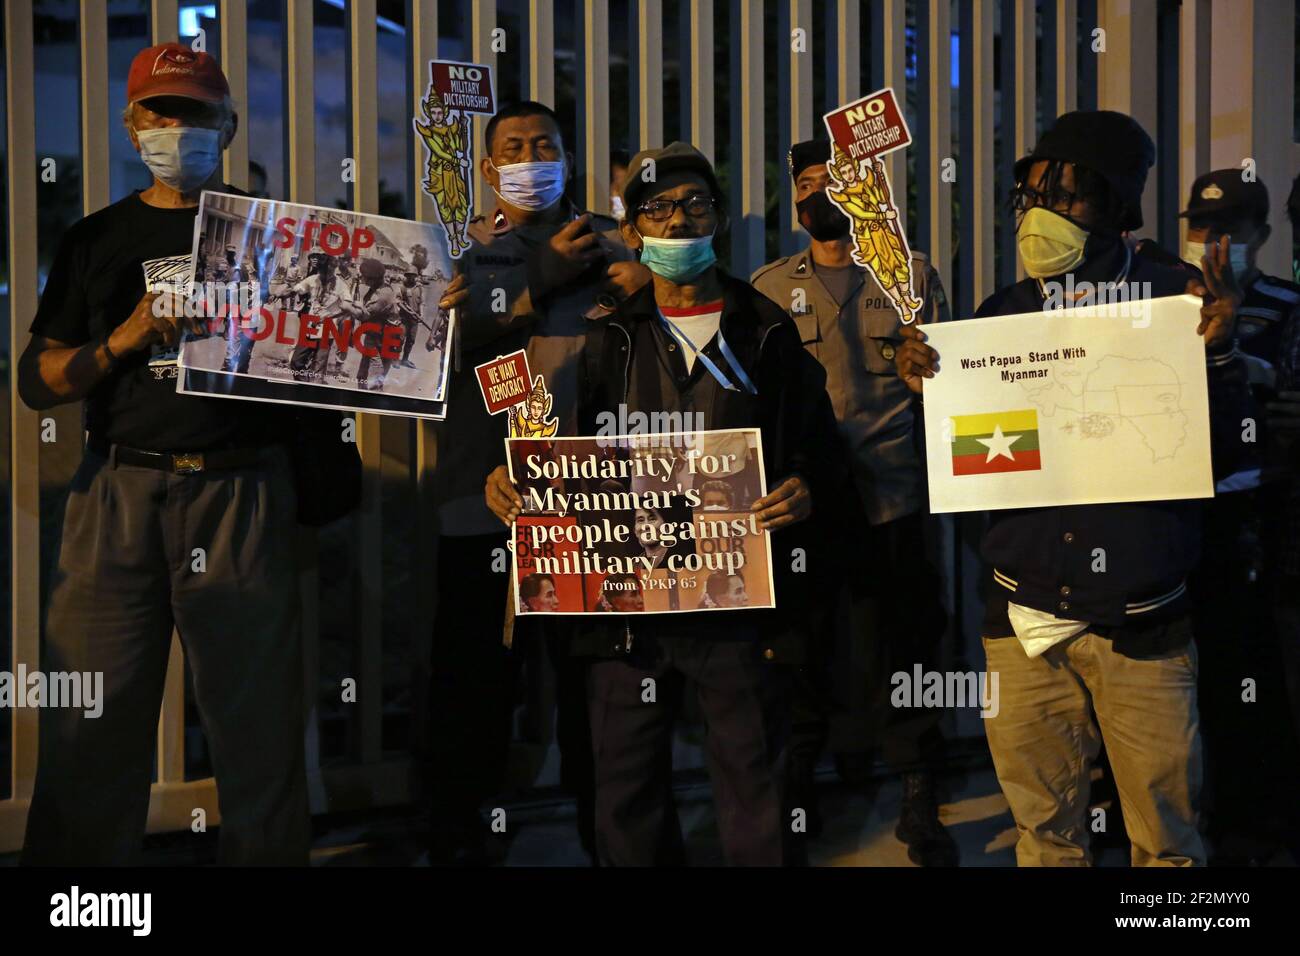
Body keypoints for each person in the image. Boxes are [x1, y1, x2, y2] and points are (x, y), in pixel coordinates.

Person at [896, 110, 1250, 867]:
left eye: (1068, 196)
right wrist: (933, 391)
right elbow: (971, 475)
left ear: (1121, 206)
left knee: (1167, 844)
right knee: (1046, 839)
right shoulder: (1000, 317)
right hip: (1025, 624)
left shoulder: (1177, 305)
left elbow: (1223, 462)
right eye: (1029, 196)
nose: (1041, 215)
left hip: (1144, 629)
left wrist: (1219, 360)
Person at [486, 142, 842, 866]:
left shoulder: (767, 331)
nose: (679, 219)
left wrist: (804, 485)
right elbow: (562, 453)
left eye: (696, 204)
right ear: (634, 228)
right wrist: (515, 486)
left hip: (740, 609)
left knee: (758, 787)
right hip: (624, 614)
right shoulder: (602, 335)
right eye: (658, 207)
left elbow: (822, 449)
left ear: (718, 221)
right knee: (626, 795)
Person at [15, 43, 310, 865]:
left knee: (258, 730)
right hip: (119, 489)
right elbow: (38, 383)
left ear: (229, 124)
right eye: (159, 112)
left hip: (241, 491)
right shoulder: (95, 240)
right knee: (90, 723)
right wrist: (125, 338)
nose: (176, 128)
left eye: (196, 114)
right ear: (131, 121)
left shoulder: (283, 234)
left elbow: (355, 351)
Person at [428, 100, 647, 865]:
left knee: (599, 702)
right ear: (489, 169)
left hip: (590, 513)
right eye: (513, 147)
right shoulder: (455, 252)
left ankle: (610, 848)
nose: (530, 156)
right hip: (479, 510)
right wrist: (544, 271)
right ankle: (463, 849)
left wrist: (640, 289)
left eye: (544, 144)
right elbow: (433, 355)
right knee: (474, 695)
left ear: (567, 156)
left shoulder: (619, 247)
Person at [751, 138, 956, 865]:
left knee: (904, 642)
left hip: (893, 495)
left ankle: (916, 786)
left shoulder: (910, 276)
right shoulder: (770, 287)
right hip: (809, 505)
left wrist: (925, 368)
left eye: (834, 182)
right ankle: (800, 784)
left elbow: (949, 383)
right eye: (806, 183)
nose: (819, 195)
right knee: (802, 647)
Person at [1175, 170, 1300, 861]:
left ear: (1263, 236)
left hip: (1254, 513)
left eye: (1232, 232)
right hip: (1174, 511)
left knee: (1243, 672)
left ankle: (1252, 822)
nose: (1215, 243)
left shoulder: (1286, 303)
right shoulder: (1160, 301)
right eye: (1202, 229)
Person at [353, 256, 403, 390]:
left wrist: (351, 305)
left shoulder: (383, 295)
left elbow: (364, 315)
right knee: (363, 375)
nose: (363, 279)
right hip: (375, 335)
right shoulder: (377, 289)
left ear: (373, 278)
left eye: (365, 277)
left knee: (374, 377)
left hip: (385, 339)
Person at [396, 268, 425, 367]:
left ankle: (405, 359)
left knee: (411, 340)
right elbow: (399, 302)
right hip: (403, 317)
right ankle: (395, 359)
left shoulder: (420, 288)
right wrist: (408, 311)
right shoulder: (402, 287)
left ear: (415, 276)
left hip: (414, 319)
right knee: (400, 338)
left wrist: (421, 314)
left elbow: (421, 303)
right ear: (406, 275)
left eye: (413, 275)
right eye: (409, 275)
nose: (411, 277)